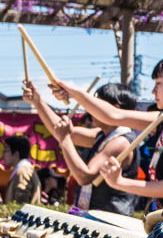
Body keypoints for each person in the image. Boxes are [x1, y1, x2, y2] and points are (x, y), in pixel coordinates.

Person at [55, 46, 163, 213]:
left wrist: (119, 182)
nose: (153, 91)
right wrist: (74, 93)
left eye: (159, 83)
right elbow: (113, 115)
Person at [26, 80, 139, 215]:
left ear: (114, 109)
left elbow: (85, 176)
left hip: (110, 221)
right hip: (97, 217)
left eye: (97, 105)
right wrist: (38, 103)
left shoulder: (121, 141)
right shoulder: (103, 135)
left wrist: (64, 139)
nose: (90, 110)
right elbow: (63, 130)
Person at [0, 135, 41, 207]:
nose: (3, 154)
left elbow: (21, 202)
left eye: (6, 150)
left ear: (16, 154)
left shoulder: (23, 170)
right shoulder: (24, 168)